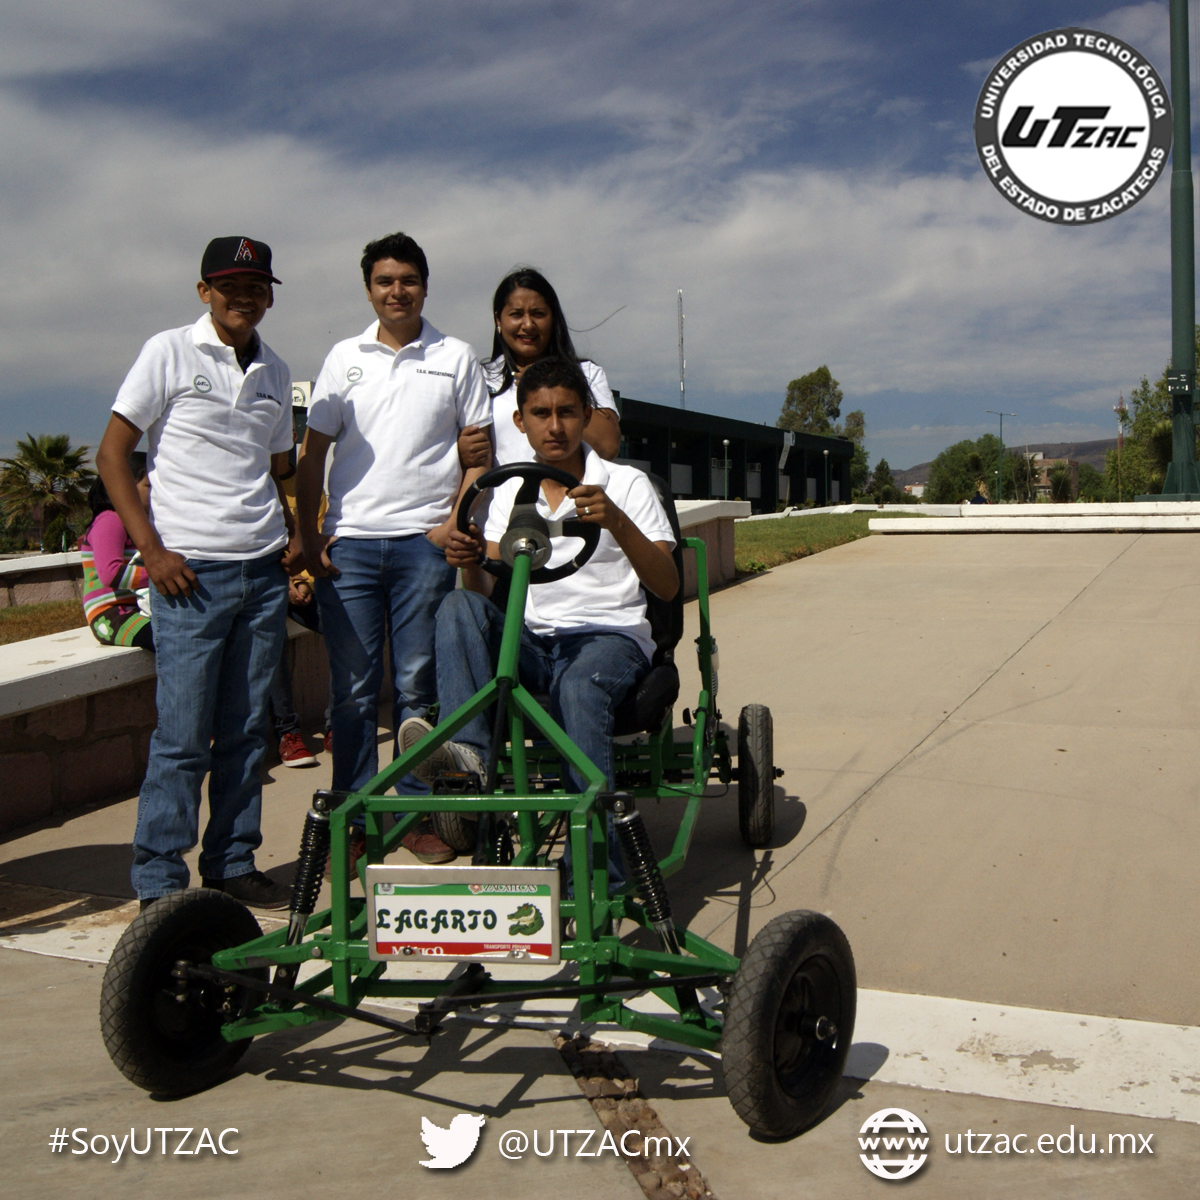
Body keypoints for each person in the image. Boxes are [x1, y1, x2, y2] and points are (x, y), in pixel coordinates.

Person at [401, 357, 678, 887]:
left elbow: (666, 586)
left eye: (568, 413)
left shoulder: (625, 484)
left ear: (586, 416)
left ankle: (598, 874)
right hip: (529, 641)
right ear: (520, 421)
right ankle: (468, 771)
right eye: (541, 413)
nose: (555, 426)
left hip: (608, 638)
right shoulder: (507, 493)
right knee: (459, 607)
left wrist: (616, 521)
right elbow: (487, 589)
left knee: (578, 685)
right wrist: (469, 563)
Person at [95, 236, 296, 911]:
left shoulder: (275, 370)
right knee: (182, 738)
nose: (245, 296)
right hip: (189, 575)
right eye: (230, 284)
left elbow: (276, 470)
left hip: (261, 572)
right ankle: (159, 881)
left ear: (269, 293)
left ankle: (232, 860)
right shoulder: (169, 351)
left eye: (256, 285)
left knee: (245, 733)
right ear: (204, 290)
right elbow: (113, 455)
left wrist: (294, 538)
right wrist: (150, 550)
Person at [295, 231, 492, 866]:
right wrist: (309, 533)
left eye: (408, 279)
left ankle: (411, 813)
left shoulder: (456, 356)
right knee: (350, 693)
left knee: (415, 688)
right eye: (384, 281)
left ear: (424, 286)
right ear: (369, 289)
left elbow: (478, 456)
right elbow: (313, 453)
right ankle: (352, 816)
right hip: (349, 546)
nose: (396, 291)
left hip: (422, 546)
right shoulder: (342, 357)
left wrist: (450, 524)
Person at [457, 268, 622, 469]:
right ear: (498, 319)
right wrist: (461, 450)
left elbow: (608, 446)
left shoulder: (586, 373)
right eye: (516, 314)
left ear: (553, 318)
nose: (528, 325)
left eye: (538, 314)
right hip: (501, 498)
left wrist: (551, 383)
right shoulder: (479, 377)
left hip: (568, 497)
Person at [78, 456, 154, 650]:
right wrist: (161, 573)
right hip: (110, 614)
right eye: (150, 486)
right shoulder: (110, 520)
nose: (157, 492)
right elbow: (110, 573)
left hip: (138, 606)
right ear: (124, 486)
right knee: (172, 638)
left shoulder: (141, 522)